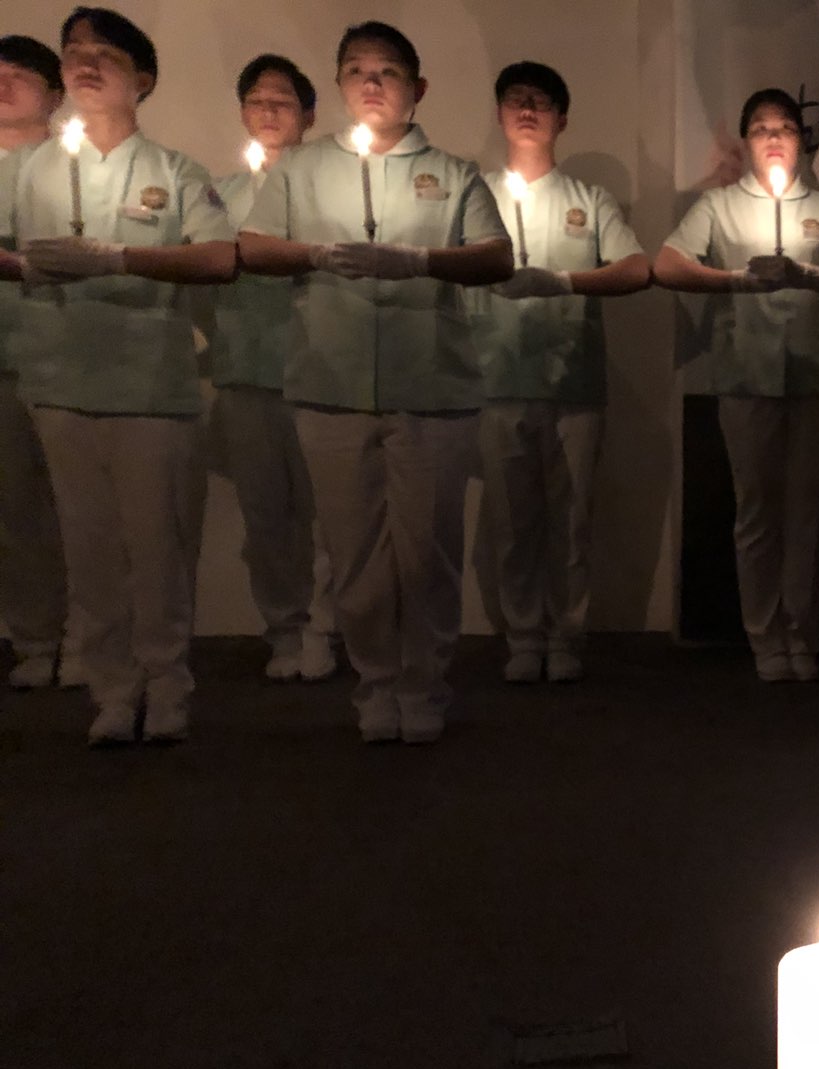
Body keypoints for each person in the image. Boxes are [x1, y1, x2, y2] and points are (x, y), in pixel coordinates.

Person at [238, 21, 512, 744]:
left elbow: (496, 257)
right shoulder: (301, 168)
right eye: (356, 69)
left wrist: (417, 263)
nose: (370, 82)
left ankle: (424, 685)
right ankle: (376, 684)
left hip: (432, 389)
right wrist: (318, 255)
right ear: (337, 85)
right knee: (353, 553)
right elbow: (253, 247)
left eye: (386, 71)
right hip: (330, 385)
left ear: (417, 88)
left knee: (427, 552)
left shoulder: (452, 172)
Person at [1, 7, 236, 745]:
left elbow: (218, 257)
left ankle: (166, 685)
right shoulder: (27, 169)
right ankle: (111, 689)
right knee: (90, 549)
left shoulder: (173, 171)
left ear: (145, 79)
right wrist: (27, 267)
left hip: (148, 390)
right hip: (60, 384)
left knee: (156, 547)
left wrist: (119, 258)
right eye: (74, 51)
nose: (85, 63)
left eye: (105, 53)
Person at [655, 88, 819, 683]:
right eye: (760, 128)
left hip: (818, 378)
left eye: (784, 128)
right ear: (746, 143)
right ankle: (763, 637)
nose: (773, 138)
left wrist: (809, 274)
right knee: (756, 512)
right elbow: (667, 265)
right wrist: (735, 281)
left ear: (802, 141)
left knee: (808, 513)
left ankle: (802, 635)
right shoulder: (719, 206)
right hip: (746, 376)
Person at [468, 60, 649, 686]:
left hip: (574, 385)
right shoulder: (475, 195)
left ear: (561, 119)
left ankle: (566, 634)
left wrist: (563, 281)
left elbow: (635, 269)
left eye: (540, 101)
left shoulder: (588, 200)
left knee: (571, 520)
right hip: (496, 381)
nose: (527, 109)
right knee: (511, 521)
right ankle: (522, 635)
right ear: (499, 114)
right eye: (515, 99)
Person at [211, 52, 339, 684]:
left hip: (322, 369)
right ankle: (283, 628)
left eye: (282, 102)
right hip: (245, 370)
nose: (267, 111)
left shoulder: (329, 185)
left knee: (329, 512)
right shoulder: (221, 194)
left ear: (308, 116)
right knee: (264, 515)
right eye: (257, 101)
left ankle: (324, 627)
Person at [0, 33, 68, 691]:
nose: (3, 82)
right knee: (17, 509)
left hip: (75, 358)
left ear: (54, 94)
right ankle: (37, 637)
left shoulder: (74, 164)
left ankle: (95, 639)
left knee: (89, 509)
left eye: (20, 73)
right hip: (4, 362)